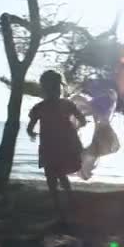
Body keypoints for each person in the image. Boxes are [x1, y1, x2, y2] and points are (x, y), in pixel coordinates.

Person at [27, 70, 86, 221]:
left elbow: (30, 127)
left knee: (53, 176)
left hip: (51, 146)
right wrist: (77, 126)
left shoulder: (40, 107)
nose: (56, 91)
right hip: (62, 145)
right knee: (59, 174)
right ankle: (68, 203)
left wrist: (32, 133)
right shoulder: (66, 104)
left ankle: (60, 207)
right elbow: (82, 120)